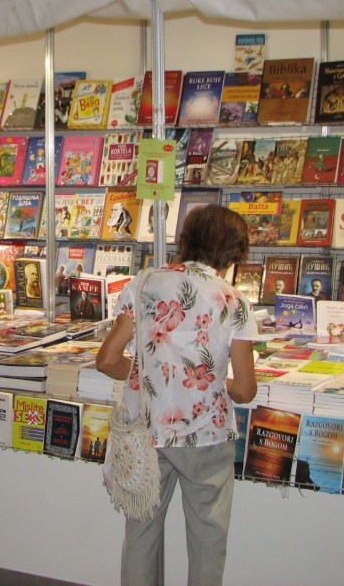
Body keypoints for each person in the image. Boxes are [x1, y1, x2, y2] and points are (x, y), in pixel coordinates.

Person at [97, 204, 258, 586]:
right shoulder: (233, 301)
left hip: (146, 431)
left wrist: (147, 374)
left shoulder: (143, 284)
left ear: (187, 239)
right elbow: (244, 389)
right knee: (208, 537)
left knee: (140, 531)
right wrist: (213, 384)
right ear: (233, 253)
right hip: (206, 435)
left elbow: (107, 359)